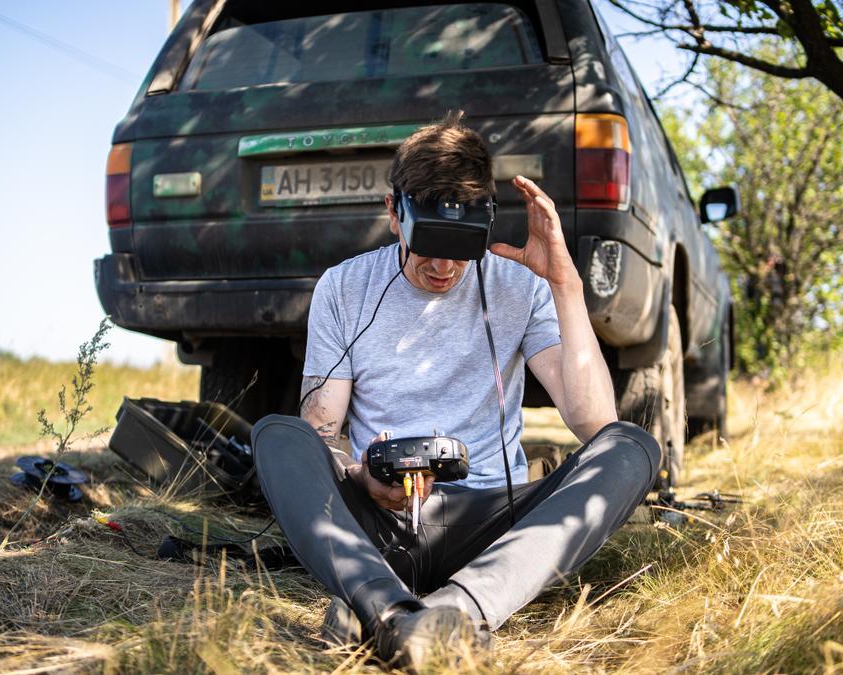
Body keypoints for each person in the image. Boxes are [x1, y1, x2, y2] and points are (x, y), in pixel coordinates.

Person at [250, 112, 661, 668]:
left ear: (486, 221)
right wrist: (362, 474)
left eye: (461, 246)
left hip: (494, 522)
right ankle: (393, 612)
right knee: (279, 435)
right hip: (380, 520)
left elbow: (593, 422)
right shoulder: (344, 287)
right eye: (430, 244)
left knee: (630, 447)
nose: (444, 266)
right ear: (395, 213)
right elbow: (322, 434)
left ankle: (458, 610)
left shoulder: (523, 286)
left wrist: (563, 282)